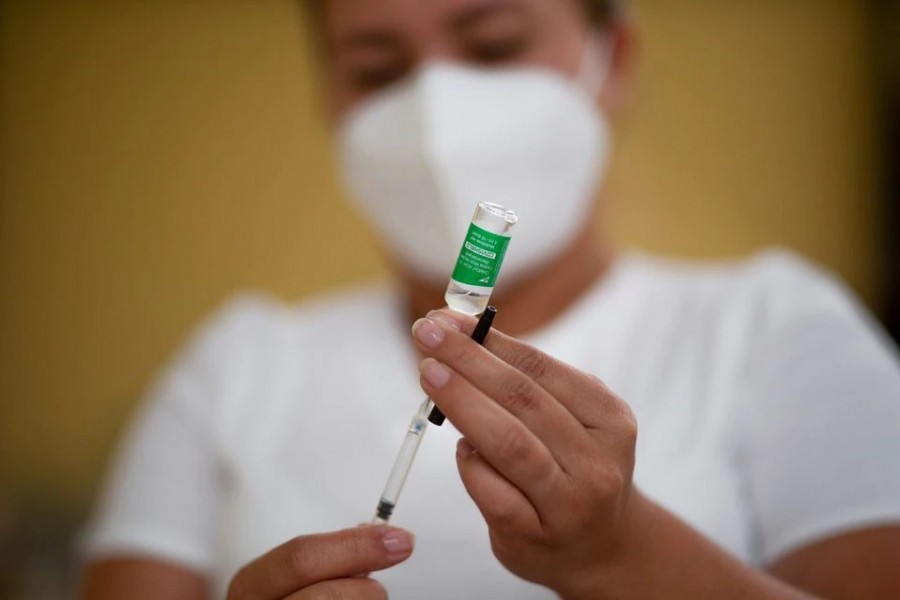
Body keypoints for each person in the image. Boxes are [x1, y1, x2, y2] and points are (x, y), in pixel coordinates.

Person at [80, 0, 900, 598]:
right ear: (330, 95)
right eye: (377, 70)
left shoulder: (774, 328)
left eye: (495, 47)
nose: (436, 115)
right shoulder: (238, 365)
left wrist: (623, 558)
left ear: (612, 59)